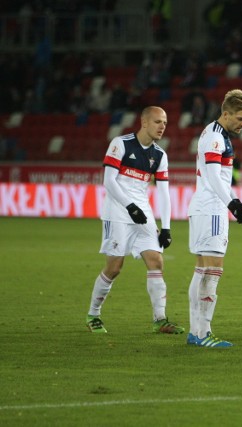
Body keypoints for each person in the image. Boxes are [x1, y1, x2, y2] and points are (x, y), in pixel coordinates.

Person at [85, 106, 183, 335]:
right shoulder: (121, 144)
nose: (162, 127)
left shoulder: (160, 155)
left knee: (156, 261)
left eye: (165, 123)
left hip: (142, 213)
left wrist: (166, 227)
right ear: (145, 122)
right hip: (117, 212)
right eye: (158, 122)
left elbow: (163, 193)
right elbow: (109, 181)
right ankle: (93, 314)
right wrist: (129, 206)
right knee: (115, 267)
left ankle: (160, 320)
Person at [186, 89, 242, 348]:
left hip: (206, 208)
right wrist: (232, 204)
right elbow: (214, 176)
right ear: (225, 113)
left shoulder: (213, 132)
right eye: (240, 118)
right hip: (212, 209)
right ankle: (203, 333)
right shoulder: (216, 138)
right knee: (212, 272)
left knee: (203, 270)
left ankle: (197, 332)